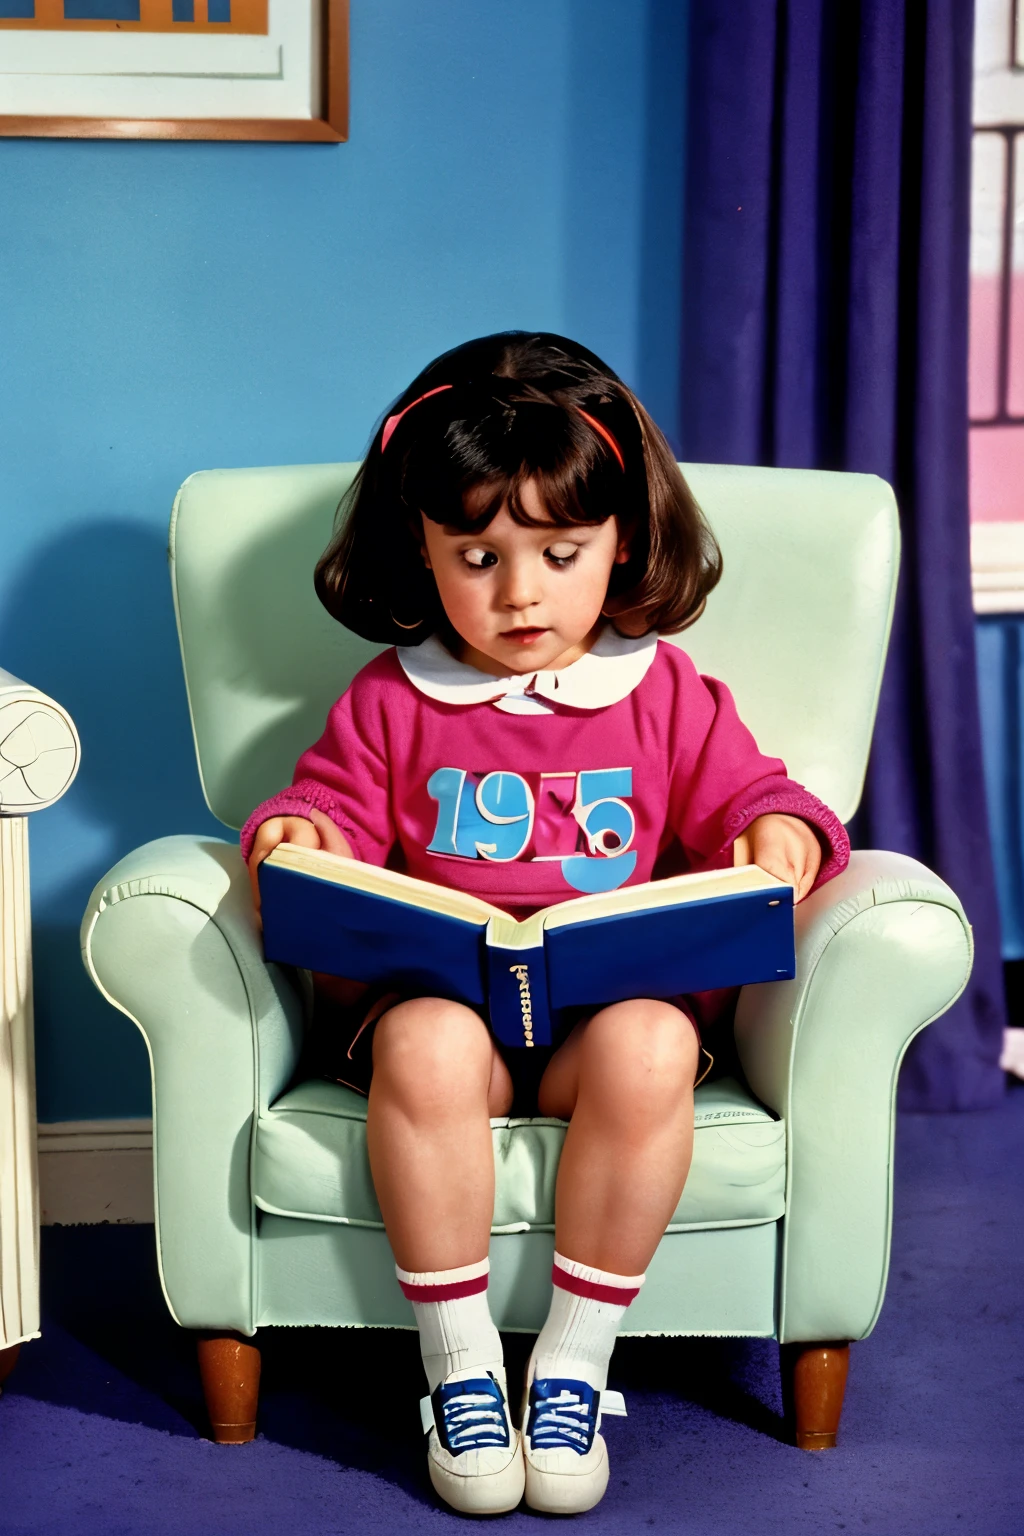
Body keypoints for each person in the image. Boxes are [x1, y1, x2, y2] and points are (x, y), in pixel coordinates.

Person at [241, 332, 849, 1516]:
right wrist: (299, 834)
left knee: (656, 1043)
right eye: (476, 556)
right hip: (444, 1034)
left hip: (593, 1037)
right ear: (417, 549)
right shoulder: (392, 696)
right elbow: (328, 809)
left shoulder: (662, 689)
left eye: (558, 554)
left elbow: (762, 794)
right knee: (421, 1039)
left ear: (620, 541)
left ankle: (572, 1364)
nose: (519, 594)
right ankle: (460, 1366)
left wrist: (782, 834)